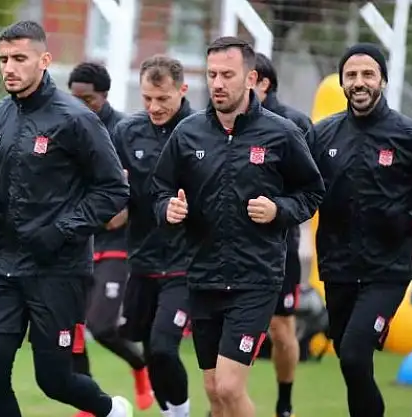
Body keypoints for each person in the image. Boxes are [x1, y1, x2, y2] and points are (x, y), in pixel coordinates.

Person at [0, 21, 133, 417]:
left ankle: (112, 411)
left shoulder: (76, 119)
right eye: (4, 59)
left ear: (44, 60)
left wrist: (61, 231)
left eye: (19, 58)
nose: (9, 67)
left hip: (57, 270)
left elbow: (113, 190)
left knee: (54, 380)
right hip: (1, 266)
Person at [150, 36, 324, 417]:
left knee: (229, 386)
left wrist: (278, 209)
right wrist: (168, 208)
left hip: (255, 279)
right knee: (214, 391)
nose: (217, 83)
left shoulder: (281, 133)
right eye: (212, 74)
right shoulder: (188, 133)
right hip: (203, 276)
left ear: (251, 78)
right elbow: (159, 189)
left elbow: (313, 192)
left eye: (227, 74)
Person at [309, 43, 412, 417]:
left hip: (387, 270)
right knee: (351, 360)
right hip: (336, 268)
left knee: (354, 353)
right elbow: (298, 185)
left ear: (382, 80)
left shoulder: (410, 136)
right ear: (342, 82)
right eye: (351, 75)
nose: (359, 82)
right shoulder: (322, 136)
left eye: (368, 74)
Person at [67, 62, 154, 415]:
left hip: (116, 243)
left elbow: (136, 188)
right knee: (71, 329)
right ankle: (90, 402)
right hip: (77, 242)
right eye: (74, 98)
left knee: (101, 327)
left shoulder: (123, 131)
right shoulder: (66, 126)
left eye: (87, 99)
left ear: (104, 96)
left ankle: (140, 365)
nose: (80, 105)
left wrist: (125, 207)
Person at [112, 54, 194, 417]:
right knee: (150, 349)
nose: (154, 107)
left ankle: (182, 412)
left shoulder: (202, 130)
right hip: (143, 261)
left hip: (186, 263)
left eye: (163, 98)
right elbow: (114, 196)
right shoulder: (127, 132)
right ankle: (169, 411)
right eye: (147, 98)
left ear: (182, 90)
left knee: (163, 346)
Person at [252, 52, 313, 417]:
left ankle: (284, 402)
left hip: (280, 246)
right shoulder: (218, 123)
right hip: (228, 247)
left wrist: (279, 210)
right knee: (225, 326)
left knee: (279, 327)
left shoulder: (294, 124)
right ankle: (225, 399)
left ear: (263, 82)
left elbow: (313, 188)